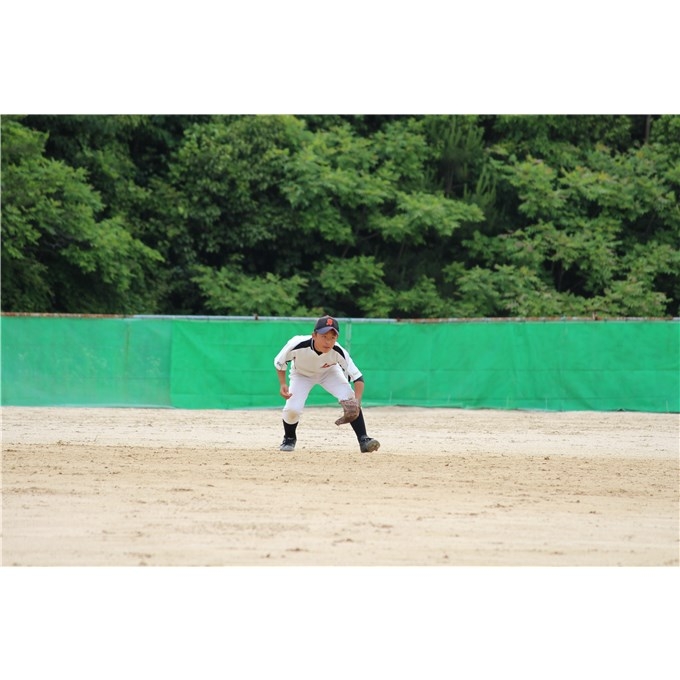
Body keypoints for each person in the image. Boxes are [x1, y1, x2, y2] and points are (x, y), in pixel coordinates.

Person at [274, 315, 381, 453]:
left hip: (329, 373)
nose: (328, 341)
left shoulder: (338, 351)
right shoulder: (297, 344)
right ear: (314, 335)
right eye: (324, 336)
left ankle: (363, 439)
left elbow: (358, 377)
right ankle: (289, 438)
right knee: (293, 409)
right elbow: (280, 362)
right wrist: (282, 383)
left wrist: (357, 402)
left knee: (350, 398)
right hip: (301, 375)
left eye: (332, 337)